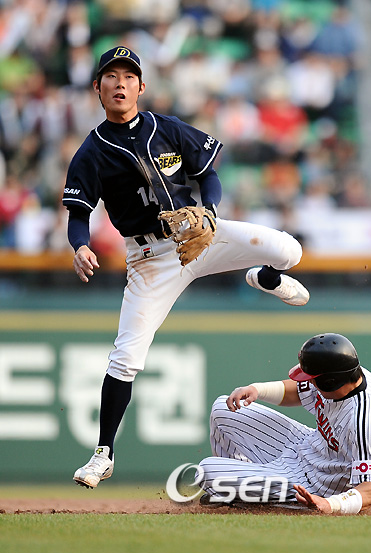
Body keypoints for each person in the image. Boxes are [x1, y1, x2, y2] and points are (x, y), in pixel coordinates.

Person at [63, 46, 309, 488]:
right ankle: (103, 453)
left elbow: (208, 172)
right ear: (97, 87)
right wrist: (80, 246)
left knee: (289, 250)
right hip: (151, 259)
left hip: (201, 233)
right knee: (125, 357)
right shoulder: (91, 152)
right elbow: (78, 215)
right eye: (111, 76)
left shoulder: (167, 127)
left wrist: (209, 211)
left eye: (129, 76)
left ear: (141, 86)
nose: (120, 83)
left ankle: (265, 277)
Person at [197, 333, 371, 514]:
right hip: (305, 445)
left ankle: (254, 494)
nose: (309, 382)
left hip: (317, 483)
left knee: (206, 472)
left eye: (313, 379)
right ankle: (246, 489)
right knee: (223, 408)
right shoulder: (344, 372)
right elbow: (297, 390)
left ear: (329, 382)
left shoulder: (366, 421)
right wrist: (257, 389)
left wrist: (331, 504)